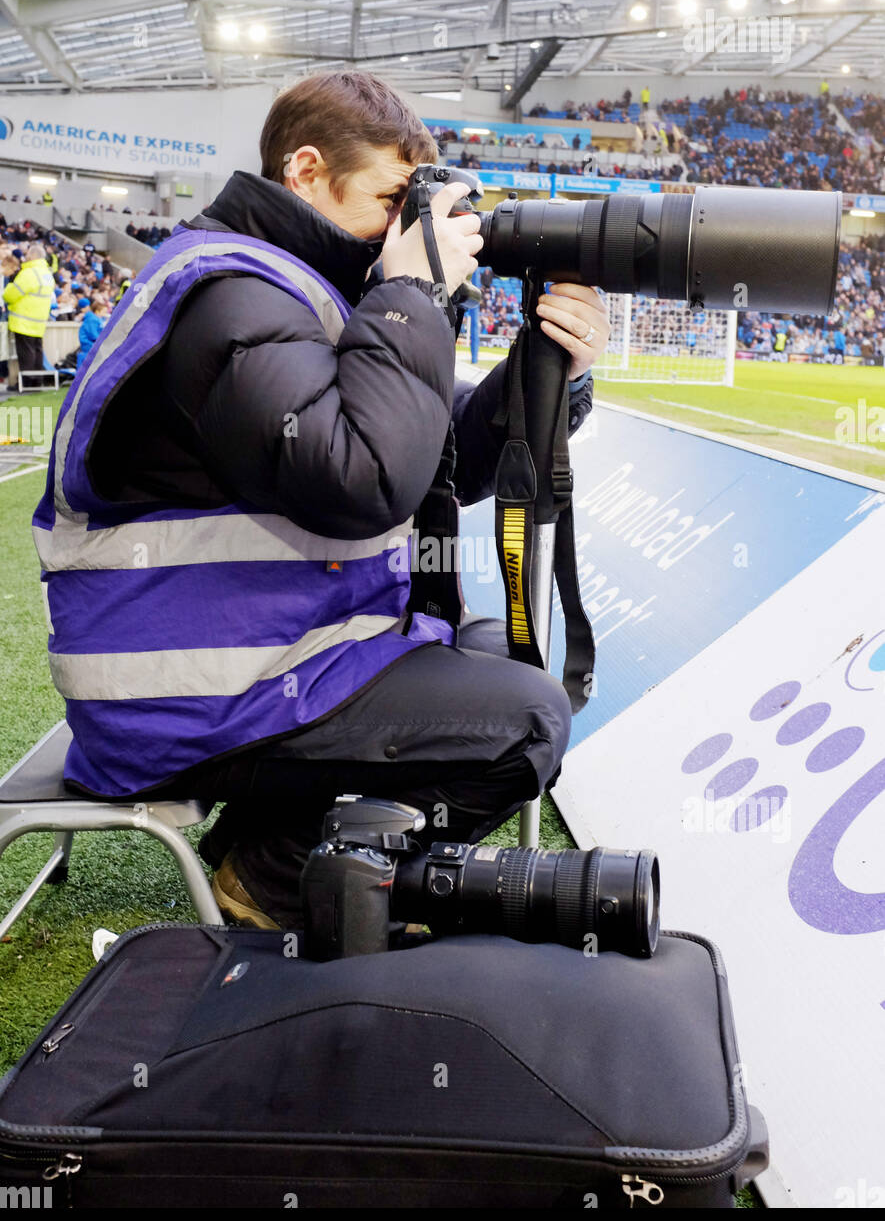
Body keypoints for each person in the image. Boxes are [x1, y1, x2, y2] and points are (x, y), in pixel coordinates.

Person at [33, 69, 608, 932]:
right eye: (387, 197)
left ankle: (267, 842)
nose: (399, 224)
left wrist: (553, 367)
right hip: (188, 699)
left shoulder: (302, 288)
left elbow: (439, 460)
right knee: (526, 719)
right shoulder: (228, 293)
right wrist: (410, 294)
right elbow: (357, 481)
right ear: (304, 171)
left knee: (498, 659)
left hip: (263, 661)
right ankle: (273, 878)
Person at [2, 240, 54, 380]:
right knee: (37, 351)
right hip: (39, 321)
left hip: (24, 320)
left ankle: (27, 383)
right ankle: (37, 381)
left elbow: (9, 295)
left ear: (32, 256)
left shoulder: (29, 273)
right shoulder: (47, 274)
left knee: (26, 353)